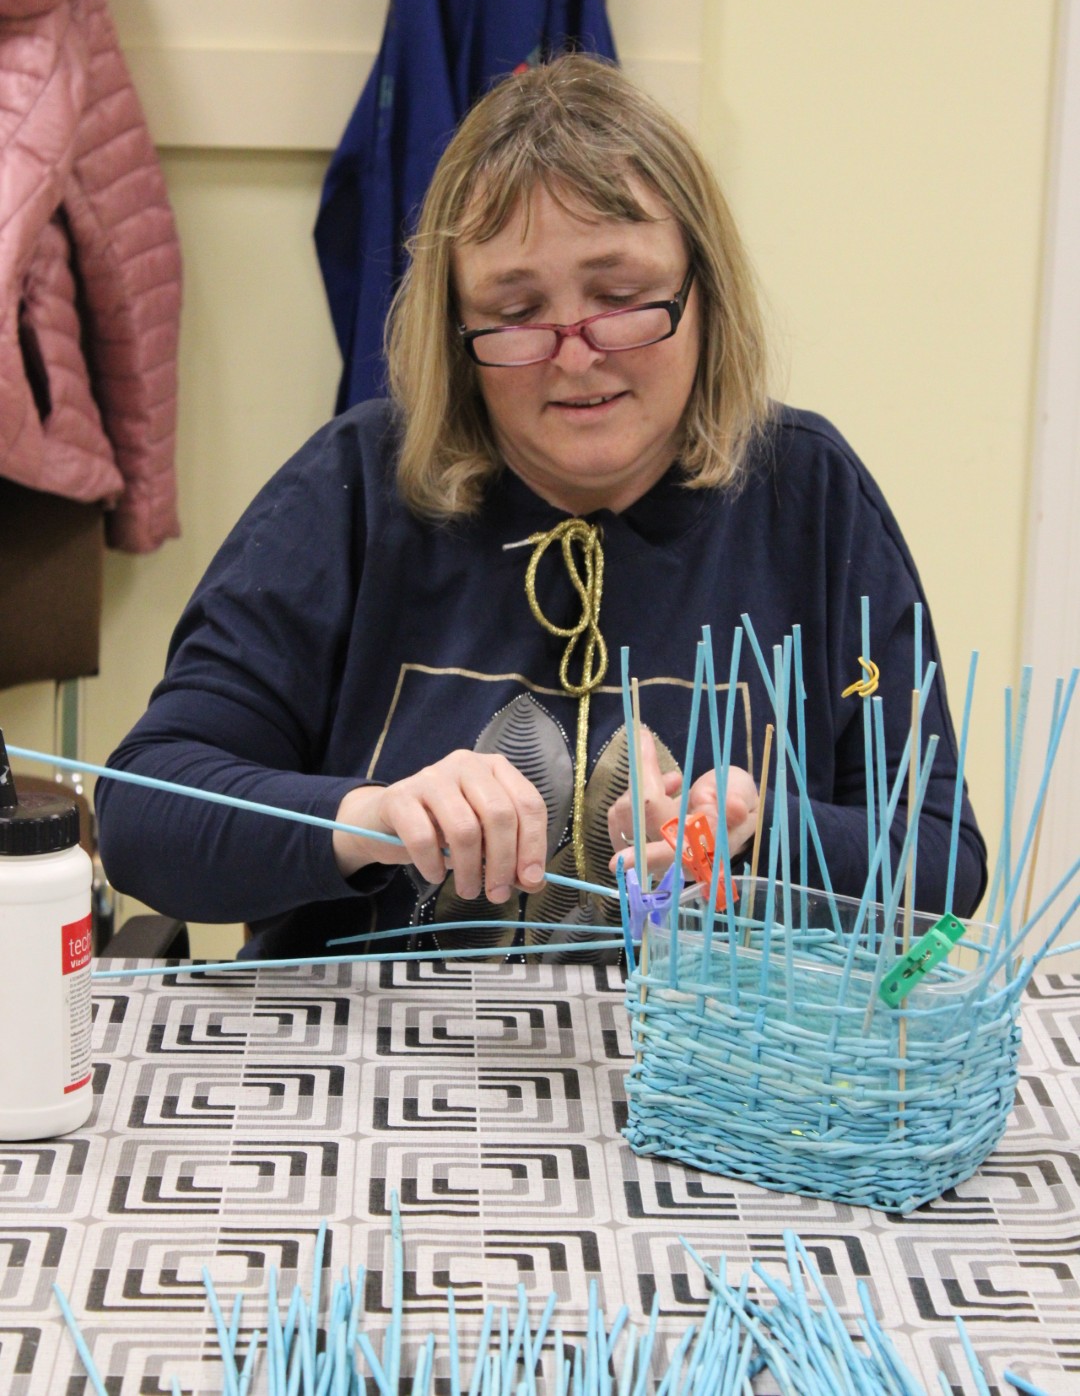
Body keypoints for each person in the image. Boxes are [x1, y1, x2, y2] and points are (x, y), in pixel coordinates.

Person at [96, 56, 986, 961]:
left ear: (703, 292)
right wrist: (370, 818)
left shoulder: (808, 495)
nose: (576, 354)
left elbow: (944, 861)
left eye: (622, 297)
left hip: (709, 1051)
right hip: (388, 1044)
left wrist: (762, 831)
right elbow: (143, 812)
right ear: (456, 329)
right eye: (516, 311)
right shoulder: (354, 488)